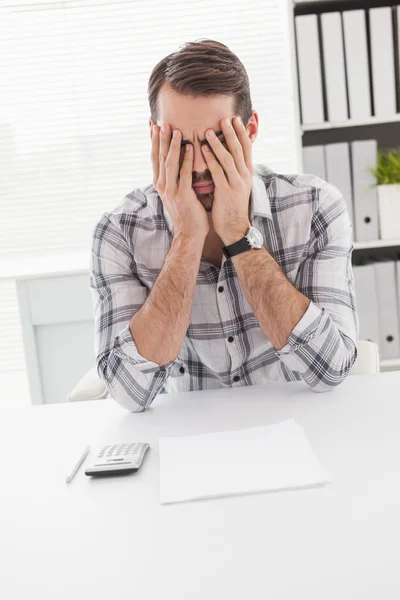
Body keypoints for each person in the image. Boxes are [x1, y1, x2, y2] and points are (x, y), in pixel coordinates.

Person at [90, 39, 359, 413]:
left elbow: (329, 369)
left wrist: (237, 232)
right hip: (188, 439)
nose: (199, 163)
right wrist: (187, 235)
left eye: (216, 140)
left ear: (250, 130)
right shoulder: (120, 231)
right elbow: (129, 393)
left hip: (299, 429)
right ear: (155, 137)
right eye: (179, 142)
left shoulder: (314, 206)